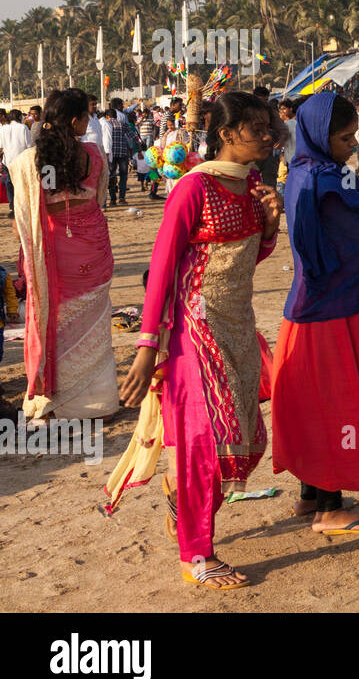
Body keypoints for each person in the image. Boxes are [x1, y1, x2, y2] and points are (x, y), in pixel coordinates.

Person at [118, 92, 283, 590]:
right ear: (228, 135)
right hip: (194, 326)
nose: (269, 137)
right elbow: (164, 267)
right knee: (203, 444)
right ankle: (197, 555)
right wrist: (149, 347)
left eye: (269, 127)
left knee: (248, 442)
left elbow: (246, 260)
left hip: (238, 322)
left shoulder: (253, 184)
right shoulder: (193, 189)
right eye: (258, 129)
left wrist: (271, 226)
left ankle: (181, 502)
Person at [271, 91, 359, 535]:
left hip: (348, 302)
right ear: (318, 134)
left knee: (325, 399)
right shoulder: (308, 179)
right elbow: (307, 244)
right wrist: (328, 279)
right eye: (345, 138)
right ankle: (330, 507)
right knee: (334, 404)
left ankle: (311, 495)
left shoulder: (330, 173)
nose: (351, 145)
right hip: (326, 307)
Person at [12, 89, 118, 422]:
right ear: (74, 121)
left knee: (56, 322)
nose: (89, 121)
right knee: (95, 323)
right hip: (92, 243)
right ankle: (97, 401)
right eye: (86, 116)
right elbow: (98, 195)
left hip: (56, 249)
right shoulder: (92, 154)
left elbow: (37, 206)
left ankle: (59, 401)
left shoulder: (35, 161)